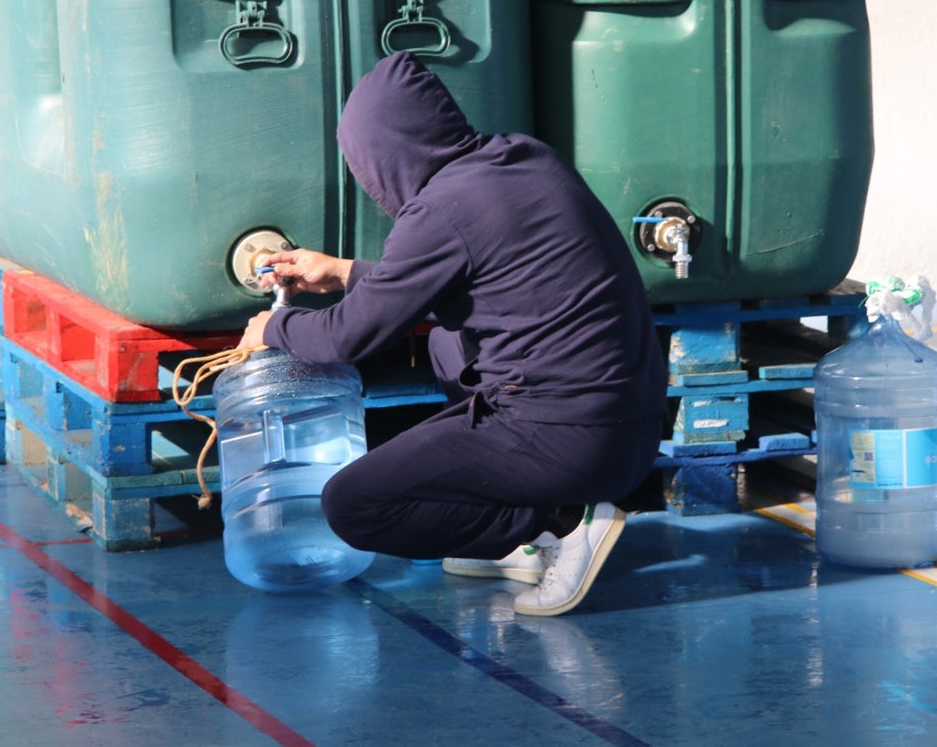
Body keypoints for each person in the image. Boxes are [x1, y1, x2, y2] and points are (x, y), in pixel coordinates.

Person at [238, 50, 667, 616]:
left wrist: (274, 325)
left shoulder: (440, 212)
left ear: (384, 155)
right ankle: (521, 526)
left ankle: (561, 521)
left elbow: (348, 336)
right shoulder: (522, 158)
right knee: (445, 339)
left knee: (353, 503)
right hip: (631, 426)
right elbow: (478, 279)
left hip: (573, 441)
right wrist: (343, 272)